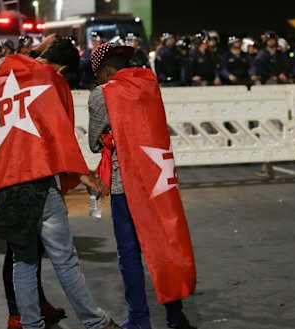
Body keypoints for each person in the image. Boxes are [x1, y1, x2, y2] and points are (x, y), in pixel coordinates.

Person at [0, 38, 124, 329]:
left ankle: (31, 324)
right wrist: (82, 174)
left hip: (3, 185)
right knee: (64, 259)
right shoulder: (51, 81)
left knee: (23, 259)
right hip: (36, 182)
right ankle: (95, 322)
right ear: (64, 68)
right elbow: (59, 132)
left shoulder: (5, 72)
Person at [88, 42, 197, 329]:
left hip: (127, 183)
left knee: (129, 253)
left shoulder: (103, 93)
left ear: (107, 70)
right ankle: (176, 314)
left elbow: (92, 141)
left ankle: (139, 319)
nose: (96, 80)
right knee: (164, 244)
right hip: (159, 178)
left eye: (96, 74)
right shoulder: (149, 84)